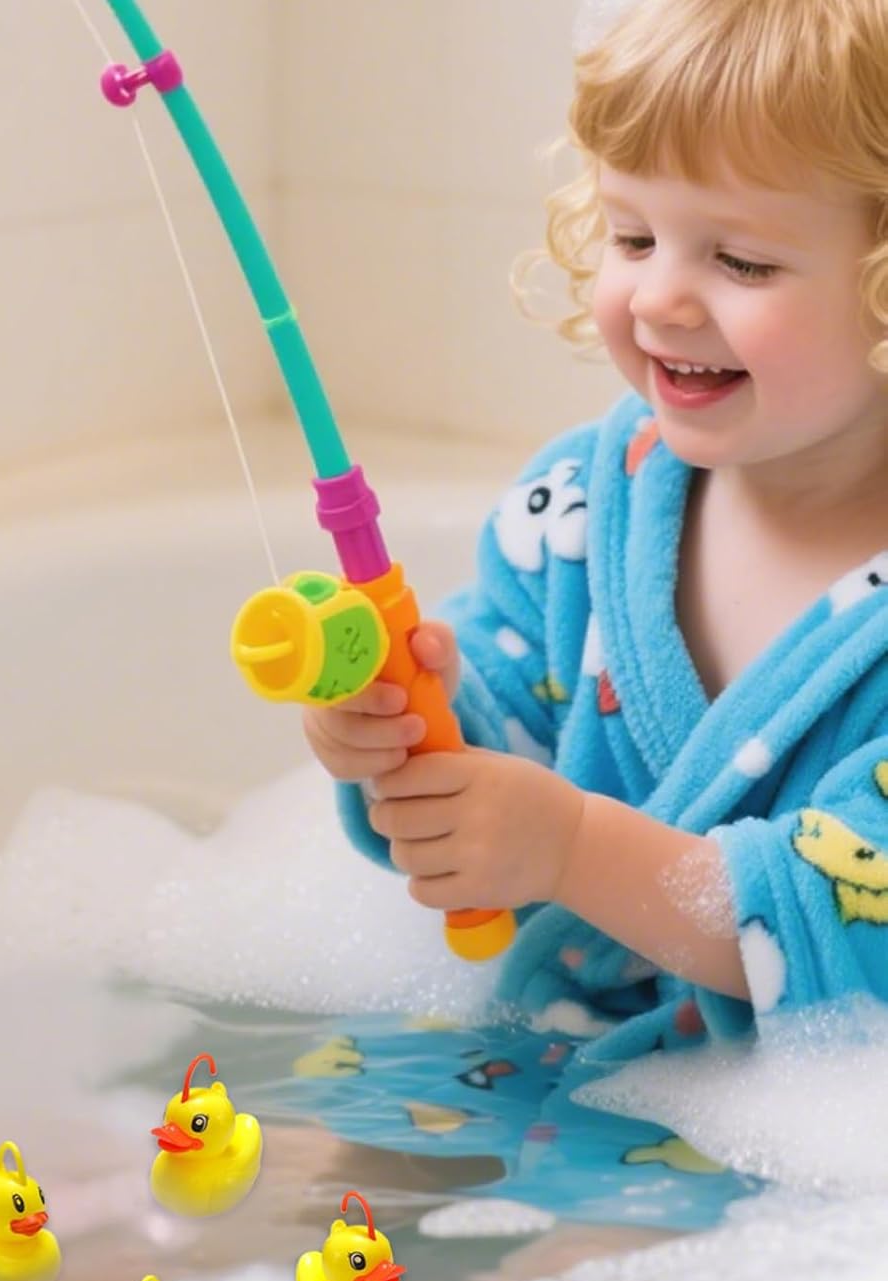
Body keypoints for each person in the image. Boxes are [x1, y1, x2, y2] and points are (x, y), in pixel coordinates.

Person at [306, 0, 888, 1059]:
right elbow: (509, 725)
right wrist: (409, 733)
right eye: (633, 237)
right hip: (548, 1044)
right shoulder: (584, 500)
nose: (659, 298)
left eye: (742, 261)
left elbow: (863, 931)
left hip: (803, 1111)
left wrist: (572, 849)